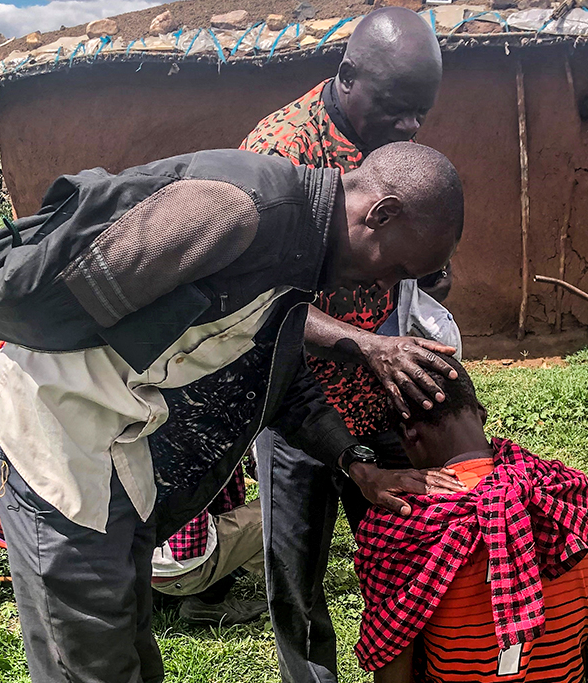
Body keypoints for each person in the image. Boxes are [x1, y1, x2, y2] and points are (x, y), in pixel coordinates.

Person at [0, 142, 466, 683]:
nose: (384, 288)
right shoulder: (239, 210)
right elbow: (35, 309)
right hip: (51, 444)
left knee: (128, 645)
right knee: (88, 658)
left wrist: (359, 465)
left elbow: (282, 380)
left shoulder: (299, 258)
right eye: (396, 269)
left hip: (119, 456)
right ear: (381, 214)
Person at [241, 8, 456, 680]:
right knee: (298, 577)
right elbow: (262, 303)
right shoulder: (281, 153)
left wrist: (424, 271)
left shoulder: (388, 135)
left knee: (410, 552)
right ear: (347, 76)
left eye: (421, 112)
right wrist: (367, 345)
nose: (410, 125)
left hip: (382, 394)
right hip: (297, 400)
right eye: (397, 107)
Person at [354, 355, 588, 682]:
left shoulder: (400, 527)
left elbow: (394, 677)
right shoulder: (568, 495)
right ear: (481, 413)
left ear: (408, 434)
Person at [150, 461, 267, 627]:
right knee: (284, 508)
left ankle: (158, 596)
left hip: (140, 565)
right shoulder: (209, 448)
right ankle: (209, 599)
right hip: (184, 566)